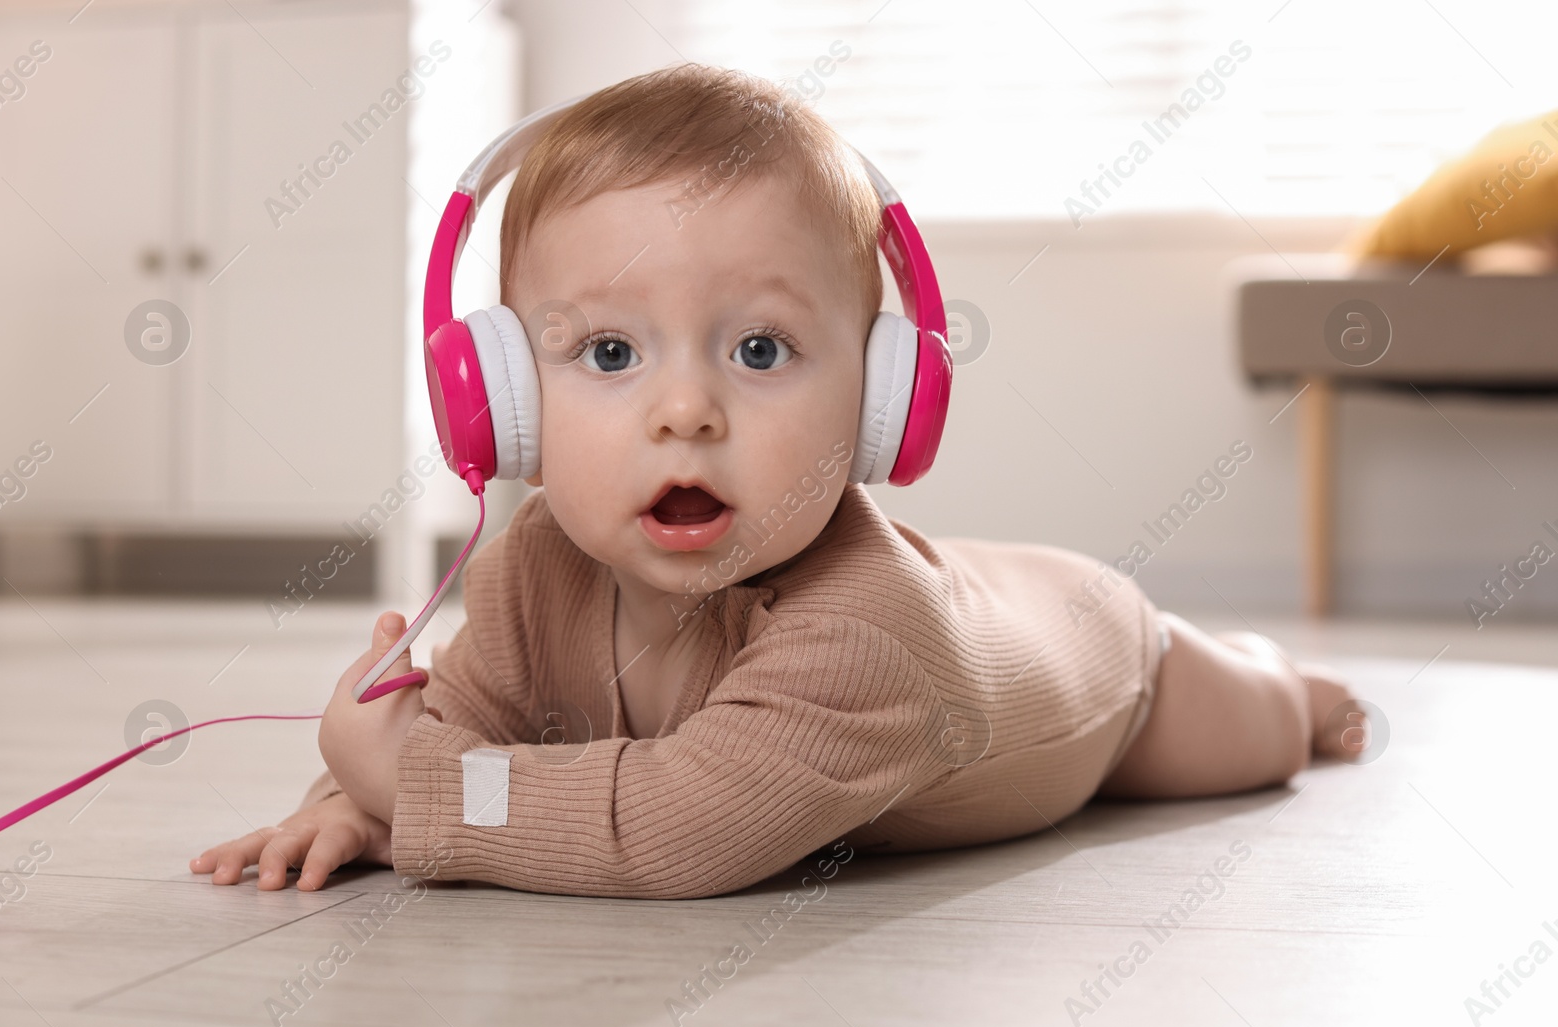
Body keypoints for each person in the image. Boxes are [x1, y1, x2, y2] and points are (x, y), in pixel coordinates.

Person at [191, 64, 1362, 900]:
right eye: (609, 352)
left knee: (1248, 730)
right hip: (979, 589)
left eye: (760, 350)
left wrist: (413, 791)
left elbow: (678, 828)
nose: (686, 409)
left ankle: (1285, 680)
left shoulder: (863, 634)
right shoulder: (529, 571)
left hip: (1102, 668)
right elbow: (455, 731)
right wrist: (353, 797)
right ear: (499, 396)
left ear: (880, 397)